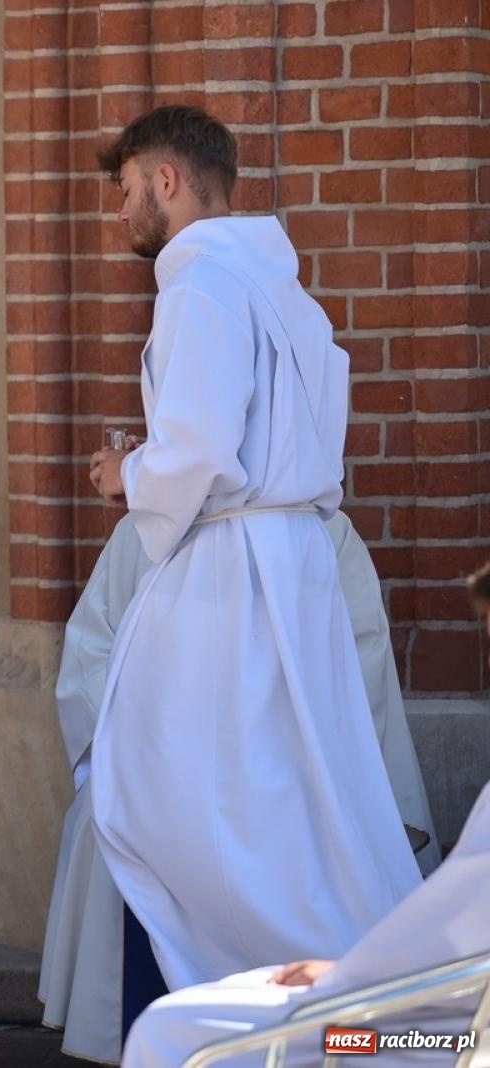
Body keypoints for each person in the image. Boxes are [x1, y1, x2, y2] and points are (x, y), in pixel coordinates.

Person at [83, 104, 421, 1016]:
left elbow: (197, 450)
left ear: (166, 180)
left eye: (123, 191)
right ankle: (375, 1008)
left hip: (235, 574)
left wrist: (126, 473)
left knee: (199, 809)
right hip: (291, 559)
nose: (118, 215)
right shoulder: (279, 284)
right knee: (306, 807)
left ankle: (266, 1013)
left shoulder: (197, 282)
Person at [39, 511, 441, 1063]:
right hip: (155, 779)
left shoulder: (322, 534)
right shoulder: (150, 527)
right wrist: (134, 754)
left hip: (289, 787)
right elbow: (92, 652)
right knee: (123, 820)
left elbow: (354, 671)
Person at [123, 777, 490, 1067]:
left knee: (168, 1030)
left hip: (417, 1039)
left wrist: (350, 977)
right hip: (443, 1032)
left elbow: (456, 938)